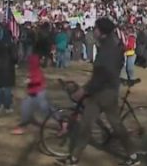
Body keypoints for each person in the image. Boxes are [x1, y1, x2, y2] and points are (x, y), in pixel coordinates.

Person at [60, 17, 140, 166]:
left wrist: (84, 90)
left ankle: (133, 156)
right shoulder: (109, 44)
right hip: (102, 91)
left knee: (113, 125)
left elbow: (101, 75)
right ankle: (74, 158)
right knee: (87, 124)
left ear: (101, 32)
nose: (94, 31)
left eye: (96, 28)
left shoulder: (108, 49)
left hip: (105, 93)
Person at [12, 37, 56, 135]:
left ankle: (62, 121)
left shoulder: (37, 58)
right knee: (26, 106)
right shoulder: (36, 57)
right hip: (34, 87)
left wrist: (30, 80)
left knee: (45, 108)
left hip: (38, 88)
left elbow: (38, 72)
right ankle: (23, 126)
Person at [0, 27, 17, 113]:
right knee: (7, 88)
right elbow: (15, 57)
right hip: (8, 68)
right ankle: (7, 106)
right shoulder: (11, 44)